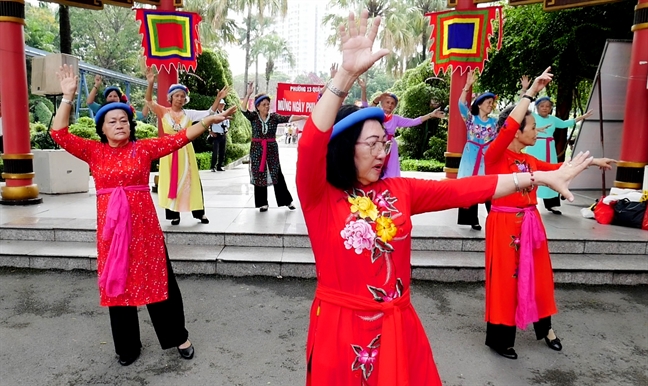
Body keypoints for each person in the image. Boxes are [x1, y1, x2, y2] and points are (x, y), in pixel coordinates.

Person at [296, 11, 597, 385]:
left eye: (385, 143)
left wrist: (536, 176)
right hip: (341, 331)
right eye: (372, 143)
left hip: (397, 326)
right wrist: (344, 76)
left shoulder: (398, 190)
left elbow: (467, 188)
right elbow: (311, 144)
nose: (382, 152)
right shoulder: (320, 197)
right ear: (344, 149)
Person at [50, 64, 236, 366]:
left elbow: (178, 139)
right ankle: (127, 346)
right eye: (112, 120)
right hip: (112, 233)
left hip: (145, 229)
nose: (120, 123)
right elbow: (58, 133)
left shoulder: (142, 150)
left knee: (160, 280)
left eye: (124, 119)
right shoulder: (94, 152)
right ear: (102, 128)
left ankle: (178, 336)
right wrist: (68, 97)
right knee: (118, 282)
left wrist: (208, 121)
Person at [482, 67, 615, 360]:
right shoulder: (495, 155)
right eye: (531, 128)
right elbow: (507, 127)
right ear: (516, 131)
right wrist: (530, 94)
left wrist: (592, 163)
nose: (536, 131)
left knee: (540, 276)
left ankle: (547, 329)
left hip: (531, 223)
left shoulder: (528, 159)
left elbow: (558, 169)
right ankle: (500, 338)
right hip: (504, 225)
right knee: (506, 280)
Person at [145, 68, 230, 225]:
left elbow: (209, 113)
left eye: (182, 96)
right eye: (177, 95)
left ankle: (199, 213)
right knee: (170, 181)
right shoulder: (164, 112)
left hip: (185, 151)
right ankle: (173, 214)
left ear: (185, 99)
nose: (179, 98)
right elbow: (149, 102)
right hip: (169, 152)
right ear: (171, 98)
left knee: (192, 180)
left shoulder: (189, 114)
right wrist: (151, 83)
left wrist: (218, 98)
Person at [240, 83, 307, 212]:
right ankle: (262, 203)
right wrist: (248, 94)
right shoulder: (253, 117)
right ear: (258, 107)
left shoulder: (274, 117)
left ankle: (287, 201)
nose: (266, 107)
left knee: (276, 173)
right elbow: (243, 109)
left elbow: (289, 118)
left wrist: (303, 116)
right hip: (256, 149)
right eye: (264, 105)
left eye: (268, 104)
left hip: (271, 149)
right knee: (259, 174)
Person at [526, 95, 593, 214]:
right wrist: (525, 91)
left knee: (552, 173)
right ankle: (528, 201)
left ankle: (552, 204)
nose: (545, 108)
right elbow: (523, 107)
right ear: (537, 107)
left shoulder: (553, 119)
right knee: (532, 172)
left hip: (549, 149)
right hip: (535, 147)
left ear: (551, 108)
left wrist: (583, 117)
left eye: (547, 106)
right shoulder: (532, 117)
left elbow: (565, 124)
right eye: (542, 106)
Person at [363, 87, 444, 178]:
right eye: (387, 102)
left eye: (393, 103)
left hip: (391, 147)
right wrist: (372, 97)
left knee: (391, 172)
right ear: (382, 103)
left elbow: (413, 122)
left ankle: (392, 189)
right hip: (378, 144)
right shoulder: (377, 115)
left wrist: (431, 115)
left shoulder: (396, 118)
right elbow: (366, 112)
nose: (390, 105)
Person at [456, 70, 499, 230]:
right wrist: (467, 86)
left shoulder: (494, 122)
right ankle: (472, 219)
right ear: (479, 104)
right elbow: (460, 104)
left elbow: (511, 123)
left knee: (488, 186)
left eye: (491, 102)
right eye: (488, 102)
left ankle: (494, 217)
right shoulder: (471, 119)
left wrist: (524, 93)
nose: (490, 105)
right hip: (471, 156)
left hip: (486, 157)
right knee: (470, 186)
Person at [209, 98, 229, 172]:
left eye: (223, 105)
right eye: (220, 105)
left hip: (223, 134)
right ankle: (213, 166)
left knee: (222, 151)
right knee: (215, 151)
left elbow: (227, 124)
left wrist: (226, 129)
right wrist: (210, 132)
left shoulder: (225, 113)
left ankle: (220, 165)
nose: (221, 106)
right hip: (216, 134)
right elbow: (208, 123)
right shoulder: (214, 114)